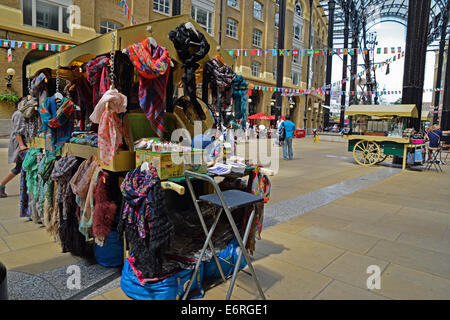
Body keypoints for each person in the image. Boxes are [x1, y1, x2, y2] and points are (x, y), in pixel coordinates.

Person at [0, 100, 29, 197]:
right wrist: (21, 145)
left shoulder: (23, 113)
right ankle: (1, 185)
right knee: (19, 167)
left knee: (20, 167)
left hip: (22, 145)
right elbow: (17, 132)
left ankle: (2, 186)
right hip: (20, 145)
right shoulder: (19, 114)